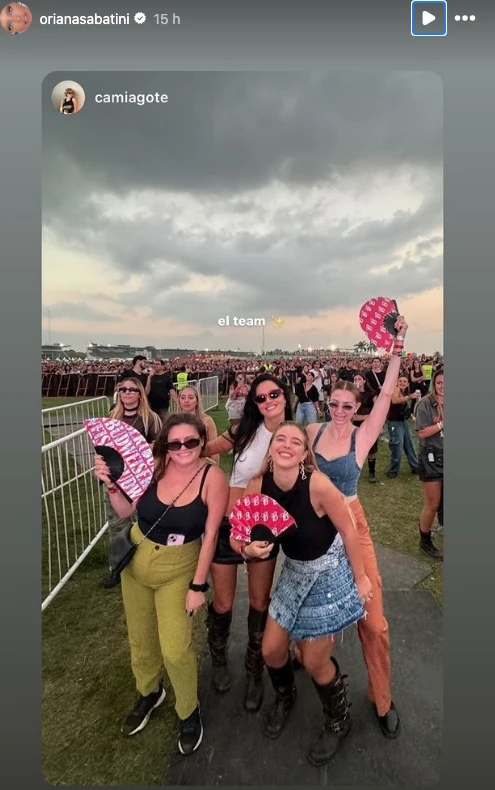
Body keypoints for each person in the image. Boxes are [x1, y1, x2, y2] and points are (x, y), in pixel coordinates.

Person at [229, 422, 371, 765]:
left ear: (305, 453)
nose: (287, 446)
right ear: (272, 448)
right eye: (281, 439)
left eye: (296, 442)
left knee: (313, 660)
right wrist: (248, 551)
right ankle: (285, 695)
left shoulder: (318, 485)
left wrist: (362, 577)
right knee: (271, 650)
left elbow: (350, 532)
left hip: (328, 572)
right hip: (294, 572)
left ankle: (339, 719)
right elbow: (237, 534)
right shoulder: (257, 486)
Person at [93, 413, 229, 755]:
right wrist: (112, 484)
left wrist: (199, 587)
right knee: (140, 638)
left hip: (179, 565)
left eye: (191, 442)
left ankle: (188, 709)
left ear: (202, 441)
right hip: (137, 561)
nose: (182, 449)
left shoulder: (212, 477)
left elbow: (211, 535)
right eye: (174, 443)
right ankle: (150, 691)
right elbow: (125, 510)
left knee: (175, 647)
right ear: (165, 444)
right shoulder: (153, 466)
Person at [304, 316, 411, 739]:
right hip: (316, 528)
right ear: (327, 404)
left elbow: (387, 392)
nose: (342, 412)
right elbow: (281, 449)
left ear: (357, 407)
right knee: (312, 603)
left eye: (348, 406)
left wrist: (399, 341)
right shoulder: (311, 431)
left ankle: (382, 699)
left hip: (351, 522)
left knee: (375, 620)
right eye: (335, 405)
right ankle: (307, 657)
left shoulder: (361, 438)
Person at [201, 374, 293, 712]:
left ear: (285, 396)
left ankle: (254, 672)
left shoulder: (293, 437)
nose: (268, 401)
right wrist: (180, 447)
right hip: (227, 523)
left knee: (258, 602)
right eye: (260, 397)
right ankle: (220, 660)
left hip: (262, 529)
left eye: (274, 394)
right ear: (254, 403)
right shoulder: (246, 430)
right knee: (223, 604)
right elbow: (209, 448)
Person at [102, 378, 163, 589]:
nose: (127, 393)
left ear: (140, 394)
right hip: (115, 480)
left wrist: (143, 449)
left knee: (142, 524)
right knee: (116, 526)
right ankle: (117, 569)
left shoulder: (150, 419)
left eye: (132, 390)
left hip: (140, 481)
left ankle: (144, 565)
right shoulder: (112, 416)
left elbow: (159, 448)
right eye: (123, 389)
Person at [414, 368, 444, 560]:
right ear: (434, 383)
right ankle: (424, 540)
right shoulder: (425, 403)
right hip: (431, 456)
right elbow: (422, 432)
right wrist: (442, 424)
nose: (443, 387)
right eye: (440, 383)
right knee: (432, 503)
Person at [385, 375, 420, 478]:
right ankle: (393, 471)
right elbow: (394, 400)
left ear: (408, 384)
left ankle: (416, 467)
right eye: (400, 381)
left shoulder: (403, 393)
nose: (402, 383)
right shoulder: (396, 389)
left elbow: (405, 408)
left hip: (403, 422)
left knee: (410, 445)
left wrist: (413, 418)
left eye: (405, 381)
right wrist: (410, 396)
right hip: (394, 423)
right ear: (397, 382)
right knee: (397, 447)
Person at [178, 385, 220, 465]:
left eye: (190, 398)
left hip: (202, 463)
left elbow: (214, 449)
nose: (186, 401)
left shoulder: (207, 421)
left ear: (197, 401)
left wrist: (215, 467)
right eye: (183, 398)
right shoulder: (174, 422)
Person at [352, 372, 378, 482]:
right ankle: (355, 471)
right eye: (355, 379)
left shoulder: (372, 393)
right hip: (356, 425)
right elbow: (353, 415)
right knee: (356, 448)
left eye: (359, 378)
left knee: (371, 450)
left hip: (370, 424)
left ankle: (372, 472)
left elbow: (377, 410)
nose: (357, 380)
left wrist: (366, 417)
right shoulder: (352, 395)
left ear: (364, 381)